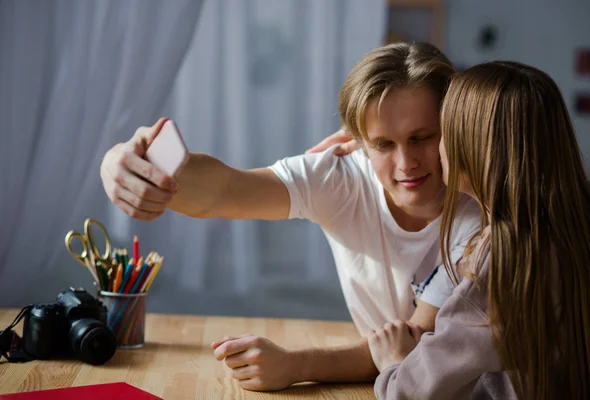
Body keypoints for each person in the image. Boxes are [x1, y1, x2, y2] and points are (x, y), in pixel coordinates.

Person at [100, 42, 480, 391]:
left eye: (421, 137)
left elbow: (418, 345)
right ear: (359, 142)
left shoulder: (484, 213)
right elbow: (225, 190)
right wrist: (123, 161)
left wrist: (297, 365)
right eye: (383, 144)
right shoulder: (343, 175)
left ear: (454, 128)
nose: (406, 163)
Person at [366, 61, 590, 399]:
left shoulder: (505, 259)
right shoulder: (585, 213)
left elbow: (410, 393)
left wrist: (393, 363)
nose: (436, 150)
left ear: (473, 146)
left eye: (440, 132)